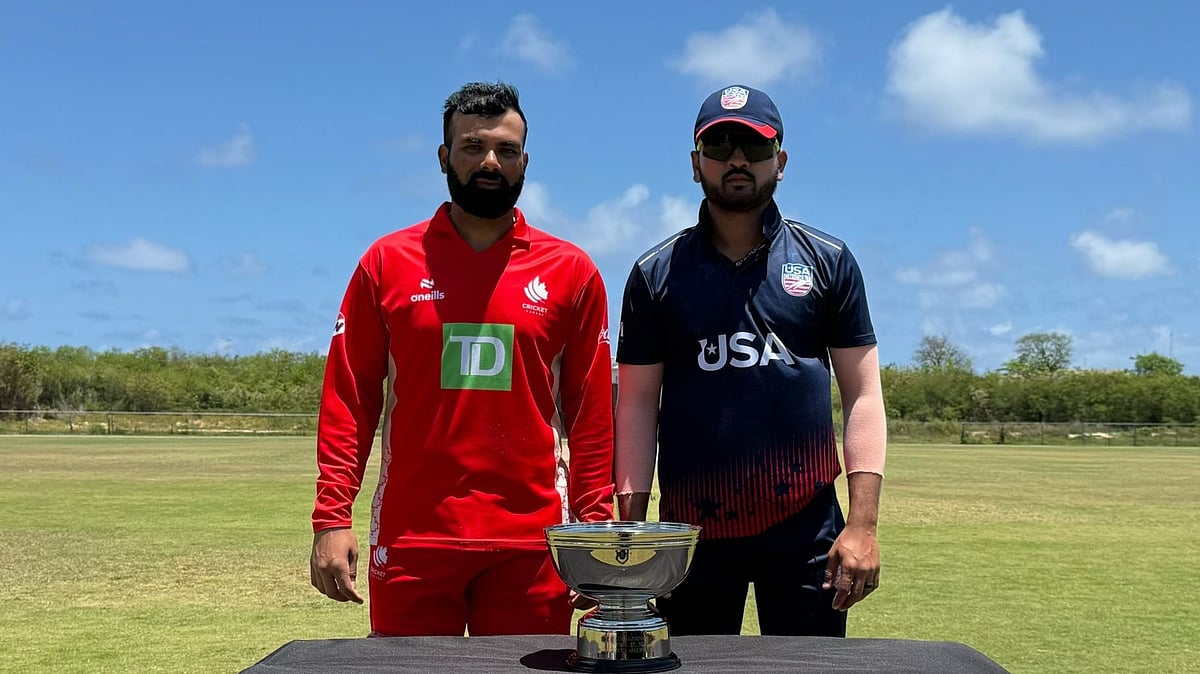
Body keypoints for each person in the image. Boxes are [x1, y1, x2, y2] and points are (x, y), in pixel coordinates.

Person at [309, 81, 615, 637]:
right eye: (474, 146)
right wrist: (332, 516)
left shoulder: (571, 270)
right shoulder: (387, 262)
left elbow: (591, 416)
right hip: (414, 538)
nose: (490, 162)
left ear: (525, 163)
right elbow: (349, 399)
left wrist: (594, 530)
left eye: (506, 150)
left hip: (533, 545)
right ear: (444, 156)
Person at [613, 85, 887, 637]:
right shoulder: (654, 274)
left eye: (755, 147)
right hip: (691, 531)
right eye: (719, 147)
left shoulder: (828, 260)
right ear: (696, 164)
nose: (737, 159)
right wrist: (632, 533)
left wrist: (863, 525)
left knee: (809, 672)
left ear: (779, 162)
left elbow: (863, 393)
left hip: (807, 528)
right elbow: (637, 406)